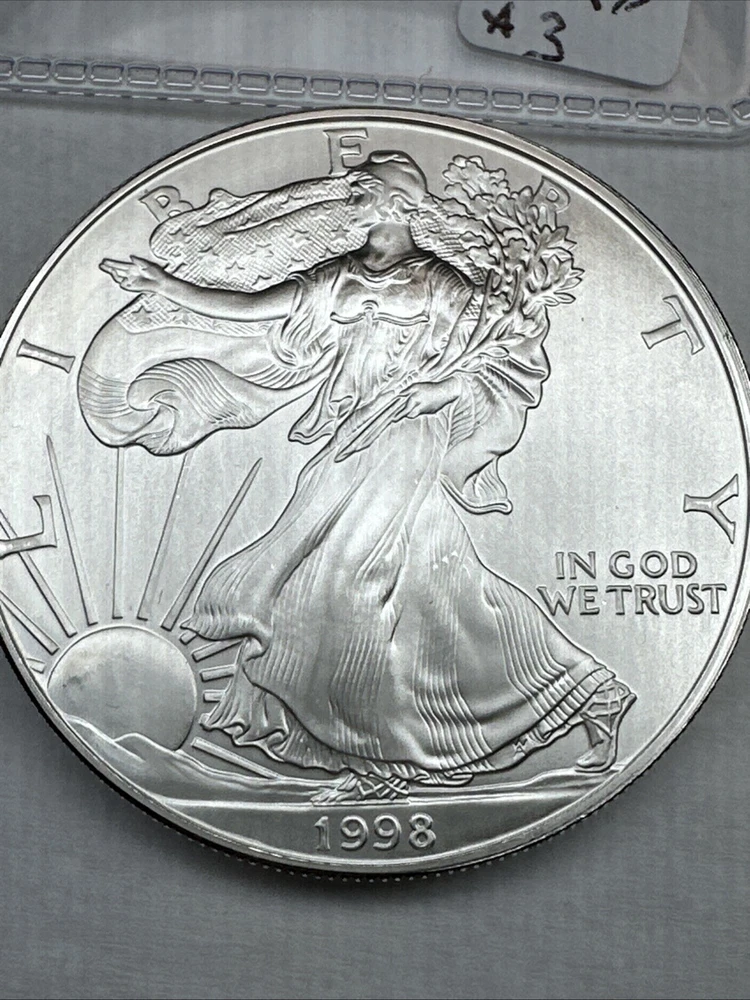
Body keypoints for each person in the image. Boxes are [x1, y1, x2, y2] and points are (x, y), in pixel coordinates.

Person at [96, 151, 634, 802]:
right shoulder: (340, 274)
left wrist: (440, 390)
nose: (349, 197)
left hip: (407, 436)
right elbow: (255, 308)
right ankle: (587, 694)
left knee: (350, 584)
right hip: (352, 437)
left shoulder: (441, 285)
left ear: (396, 205)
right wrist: (166, 287)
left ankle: (384, 762)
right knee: (444, 594)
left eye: (363, 189)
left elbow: (495, 360)